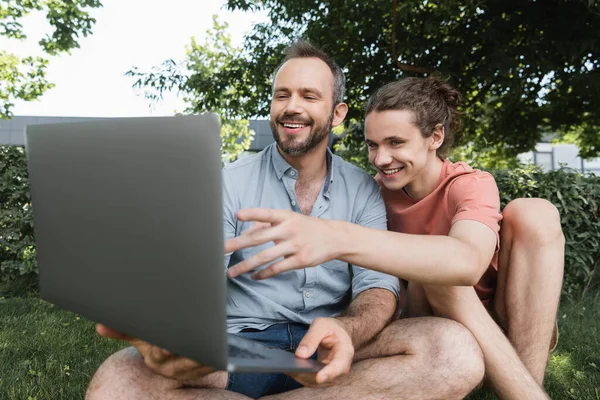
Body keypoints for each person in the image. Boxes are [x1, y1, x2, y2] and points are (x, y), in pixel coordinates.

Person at [86, 42, 485, 400]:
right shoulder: (228, 181)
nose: (292, 106)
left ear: (337, 112)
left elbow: (377, 289)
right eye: (282, 95)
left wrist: (347, 330)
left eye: (309, 96)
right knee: (118, 382)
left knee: (453, 350)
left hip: (330, 351)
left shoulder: (365, 189)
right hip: (239, 352)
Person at [225, 76, 565, 399]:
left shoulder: (470, 184)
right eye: (373, 145)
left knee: (532, 213)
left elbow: (468, 262)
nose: (381, 159)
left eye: (396, 143)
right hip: (425, 316)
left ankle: (526, 385)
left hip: (492, 313)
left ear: (435, 137)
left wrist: (337, 236)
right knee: (433, 273)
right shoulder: (371, 192)